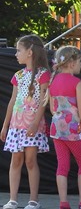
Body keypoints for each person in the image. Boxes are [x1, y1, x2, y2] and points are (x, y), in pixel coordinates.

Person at [1, 35, 50, 209]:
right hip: (16, 125)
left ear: (29, 52)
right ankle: (12, 200)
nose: (16, 54)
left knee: (30, 160)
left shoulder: (43, 74)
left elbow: (43, 101)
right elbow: (13, 101)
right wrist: (5, 125)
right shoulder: (18, 75)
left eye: (18, 50)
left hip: (32, 125)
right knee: (16, 160)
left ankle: (33, 200)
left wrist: (36, 123)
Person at [49, 46, 81, 209]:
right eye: (80, 61)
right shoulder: (77, 83)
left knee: (62, 165)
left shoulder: (53, 81)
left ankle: (63, 203)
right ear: (71, 63)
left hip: (57, 129)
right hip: (73, 129)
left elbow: (52, 109)